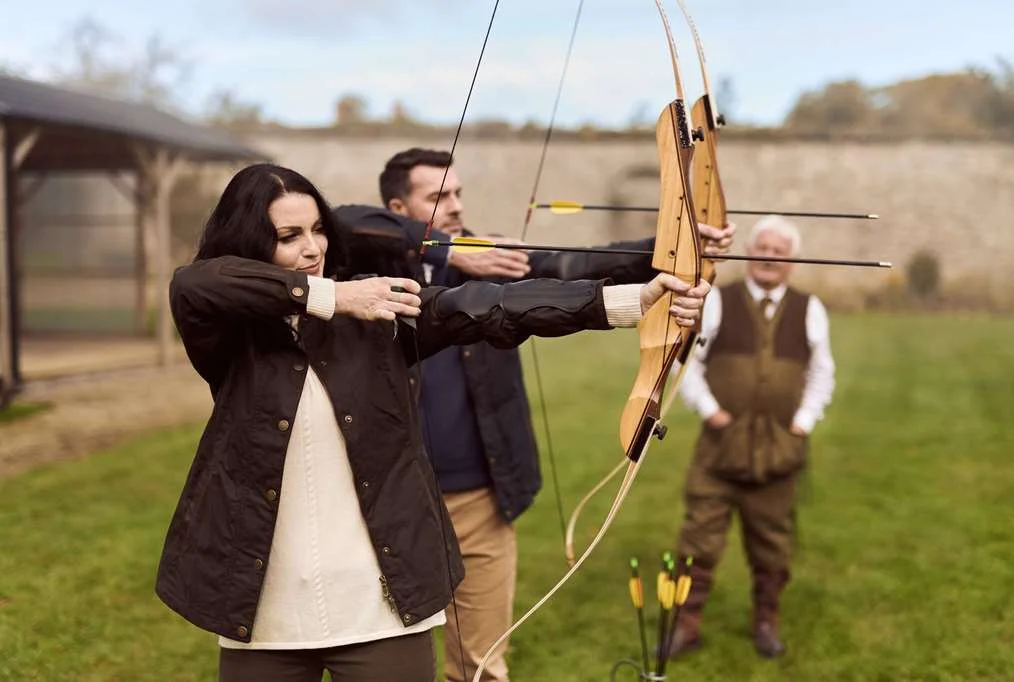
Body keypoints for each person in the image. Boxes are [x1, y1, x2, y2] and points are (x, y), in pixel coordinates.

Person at [154, 162, 711, 682]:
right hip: (265, 607)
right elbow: (196, 282)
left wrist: (633, 300)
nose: (312, 248)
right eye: (288, 237)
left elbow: (490, 306)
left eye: (317, 231)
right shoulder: (230, 334)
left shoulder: (379, 316)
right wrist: (334, 295)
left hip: (380, 604)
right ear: (251, 243)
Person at [372, 147, 734, 682]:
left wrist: (671, 246)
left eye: (457, 194)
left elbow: (573, 265)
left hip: (479, 493)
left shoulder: (490, 255)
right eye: (437, 197)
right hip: (389, 496)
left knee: (480, 664)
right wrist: (446, 253)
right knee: (388, 661)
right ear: (398, 208)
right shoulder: (360, 271)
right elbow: (347, 220)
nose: (454, 206)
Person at [664, 215, 836, 660]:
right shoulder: (718, 301)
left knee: (773, 544)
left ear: (792, 262)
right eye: (762, 247)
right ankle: (686, 624)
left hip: (780, 452)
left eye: (780, 252)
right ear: (748, 251)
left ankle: (766, 622)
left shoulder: (809, 308)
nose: (769, 257)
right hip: (719, 448)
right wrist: (711, 411)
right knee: (697, 540)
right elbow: (688, 364)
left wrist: (803, 421)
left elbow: (821, 373)